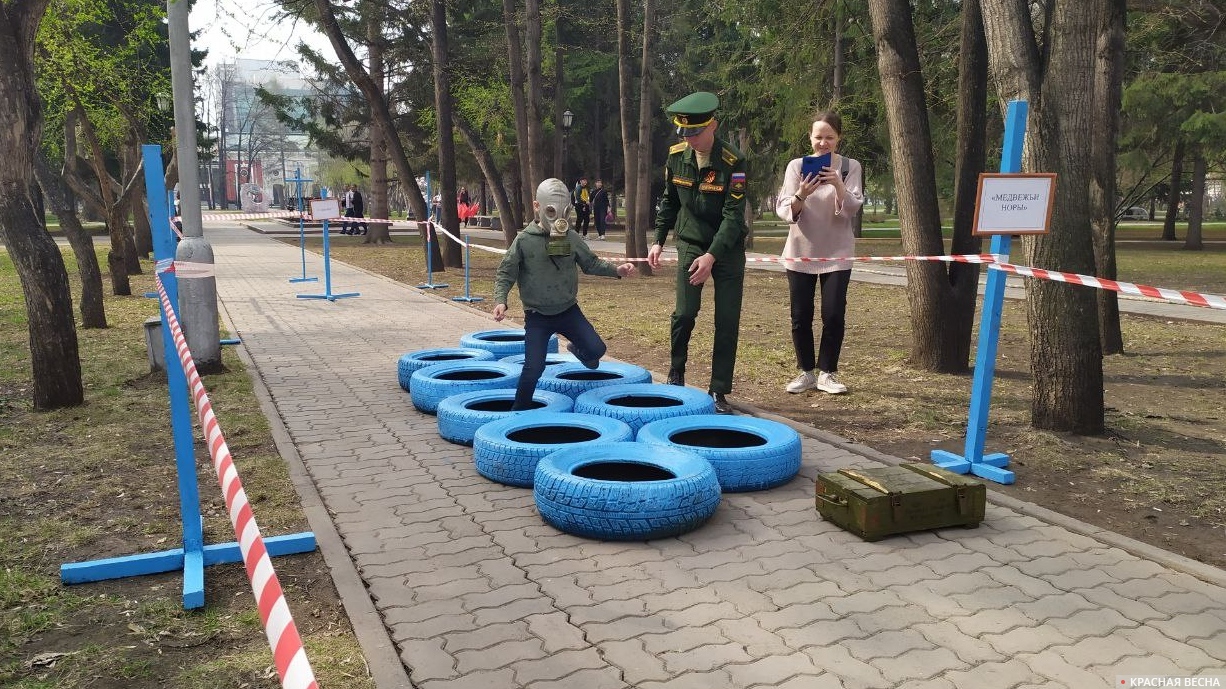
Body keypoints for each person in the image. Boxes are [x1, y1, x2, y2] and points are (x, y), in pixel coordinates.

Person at [493, 178, 635, 410]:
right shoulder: (524, 240)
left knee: (596, 352)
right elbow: (505, 272)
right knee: (533, 368)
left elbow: (591, 263)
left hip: (568, 310)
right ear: (537, 206)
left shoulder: (570, 237)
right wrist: (501, 300)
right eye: (551, 210)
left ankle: (576, 348)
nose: (558, 217)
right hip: (537, 315)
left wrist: (617, 270)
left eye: (564, 211)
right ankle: (518, 412)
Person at [647, 91, 747, 414]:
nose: (690, 139)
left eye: (696, 132)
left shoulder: (734, 161)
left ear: (713, 125)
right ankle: (676, 372)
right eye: (685, 132)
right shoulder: (676, 157)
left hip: (727, 249)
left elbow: (733, 216)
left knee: (727, 319)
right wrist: (658, 240)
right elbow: (669, 201)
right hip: (691, 241)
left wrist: (713, 256)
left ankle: (719, 390)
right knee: (685, 313)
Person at [774, 111, 864, 395]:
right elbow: (785, 209)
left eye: (829, 137)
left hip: (837, 252)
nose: (823, 143)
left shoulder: (850, 167)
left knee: (834, 314)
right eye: (818, 137)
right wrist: (802, 193)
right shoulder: (796, 166)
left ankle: (827, 372)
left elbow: (851, 209)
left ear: (838, 138)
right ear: (810, 138)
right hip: (801, 251)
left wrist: (838, 184)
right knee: (800, 315)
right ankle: (806, 372)